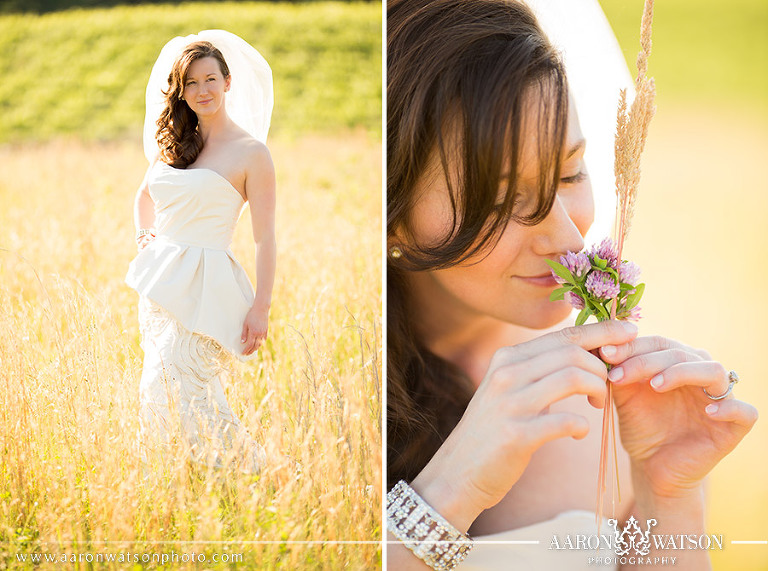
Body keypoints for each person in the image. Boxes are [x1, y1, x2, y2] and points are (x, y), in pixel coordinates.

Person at [385, 1, 757, 569]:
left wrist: (669, 494)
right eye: (504, 199)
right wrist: (445, 495)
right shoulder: (320, 397)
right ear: (391, 210)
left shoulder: (613, 408)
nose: (566, 234)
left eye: (570, 173)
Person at [126, 31, 276, 475]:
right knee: (159, 384)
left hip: (209, 286)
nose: (202, 90)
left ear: (228, 82)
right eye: (191, 83)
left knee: (178, 384)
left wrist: (261, 308)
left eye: (210, 79)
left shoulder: (252, 153)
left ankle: (253, 475)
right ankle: (172, 480)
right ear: (181, 91)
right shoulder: (173, 145)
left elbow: (265, 238)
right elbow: (144, 197)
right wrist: (145, 237)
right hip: (161, 285)